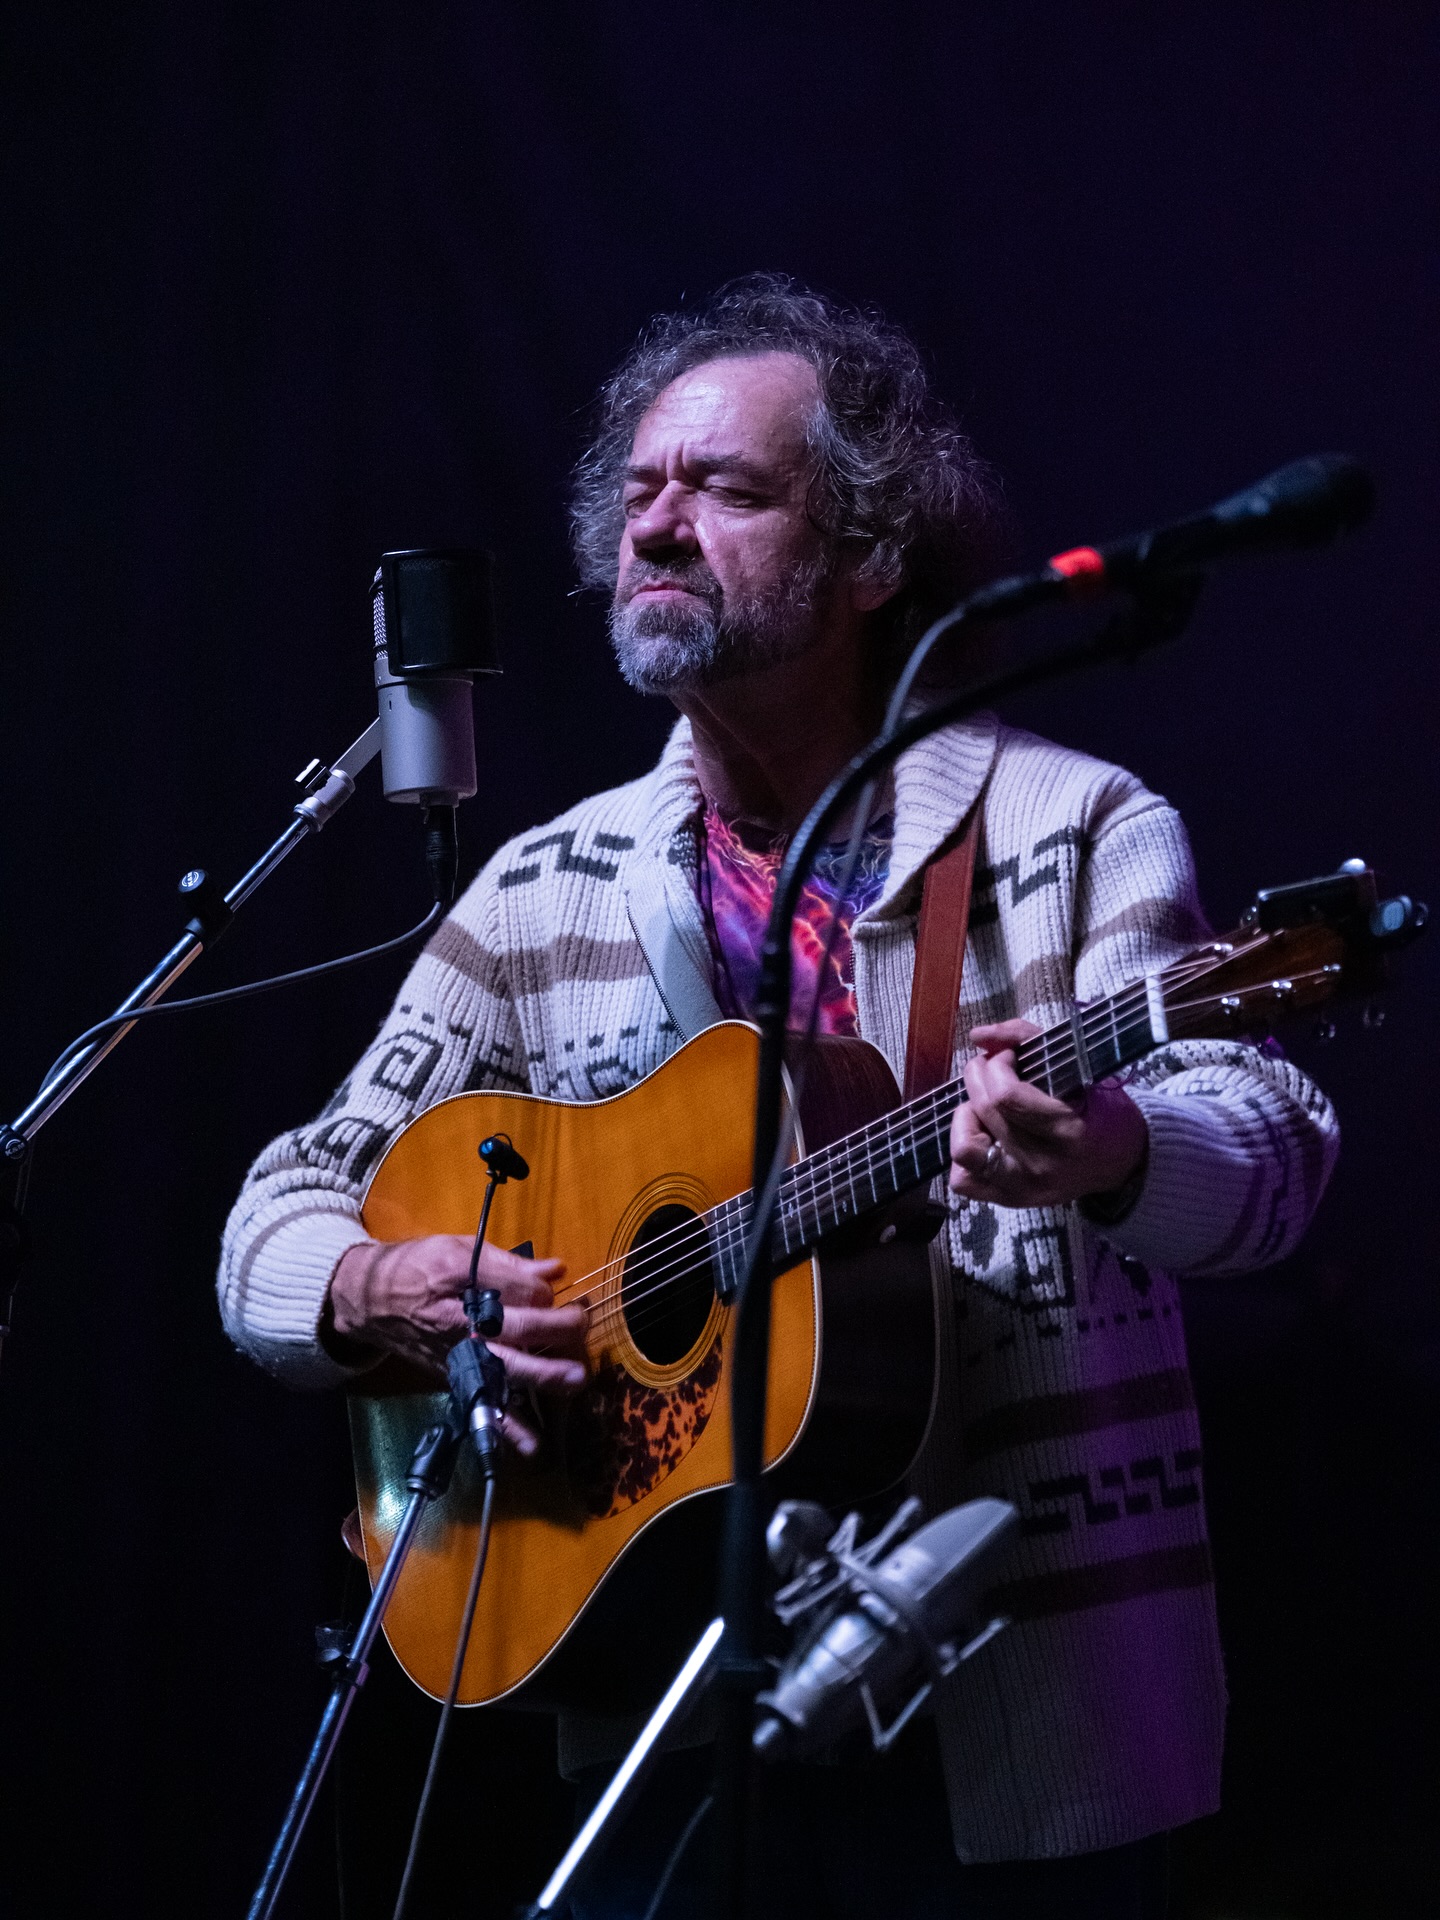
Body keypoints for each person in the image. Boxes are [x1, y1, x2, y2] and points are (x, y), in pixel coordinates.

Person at [219, 276, 1339, 1918]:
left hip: (1018, 1708)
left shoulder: (1076, 824)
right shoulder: (542, 893)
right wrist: (391, 1281)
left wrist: (1111, 1144)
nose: (658, 528)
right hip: (655, 1725)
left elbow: (1276, 1153)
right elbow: (274, 1219)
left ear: (873, 557)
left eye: (727, 491)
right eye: (642, 492)